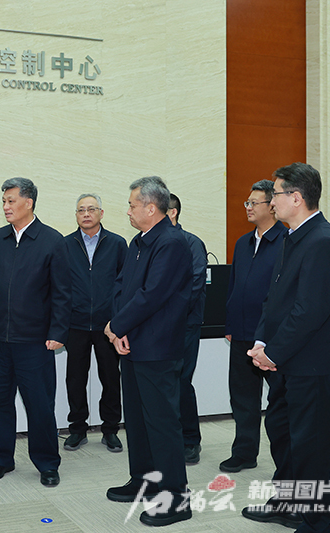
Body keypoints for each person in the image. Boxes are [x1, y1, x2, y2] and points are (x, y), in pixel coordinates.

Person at [242, 163, 330, 533]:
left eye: (276, 194)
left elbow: (309, 312)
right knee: (284, 436)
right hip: (289, 363)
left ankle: (316, 523)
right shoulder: (294, 237)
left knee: (310, 449)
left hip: (313, 367)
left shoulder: (322, 242)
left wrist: (272, 353)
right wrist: (262, 341)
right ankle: (288, 504)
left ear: (297, 198)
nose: (271, 202)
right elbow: (276, 299)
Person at [104, 176, 193, 527]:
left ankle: (176, 498)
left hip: (157, 348)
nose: (127, 211)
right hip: (132, 343)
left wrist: (117, 326)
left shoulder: (171, 243)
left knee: (162, 423)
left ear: (151, 208)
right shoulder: (138, 242)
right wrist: (118, 329)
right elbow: (121, 287)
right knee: (138, 420)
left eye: (132, 205)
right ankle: (144, 480)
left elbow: (152, 295)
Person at [0, 177, 71, 487]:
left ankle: (47, 463)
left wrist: (58, 332)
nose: (5, 206)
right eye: (4, 201)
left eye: (11, 201)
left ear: (29, 202)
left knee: (40, 406)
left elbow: (63, 293)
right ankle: (1, 460)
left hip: (35, 342)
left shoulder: (52, 240)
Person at [220, 179, 286, 473]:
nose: (247, 207)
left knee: (281, 399)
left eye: (253, 203)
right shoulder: (243, 243)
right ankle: (244, 453)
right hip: (242, 333)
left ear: (272, 206)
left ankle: (287, 460)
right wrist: (230, 322)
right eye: (247, 202)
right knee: (243, 396)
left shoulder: (286, 241)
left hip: (272, 337)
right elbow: (234, 286)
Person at [63, 193, 127, 453]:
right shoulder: (65, 244)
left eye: (91, 209)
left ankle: (110, 429)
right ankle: (77, 429)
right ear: (76, 215)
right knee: (75, 379)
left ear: (101, 213)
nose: (86, 214)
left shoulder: (118, 244)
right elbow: (58, 286)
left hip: (107, 325)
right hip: (75, 323)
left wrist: (118, 321)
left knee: (110, 378)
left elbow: (125, 285)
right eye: (81, 210)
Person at [166, 194, 207, 465]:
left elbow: (195, 284)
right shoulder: (148, 242)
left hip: (184, 325)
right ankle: (169, 438)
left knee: (181, 382)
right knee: (163, 384)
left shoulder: (192, 243)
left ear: (172, 212)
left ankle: (191, 440)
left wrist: (169, 315)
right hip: (158, 328)